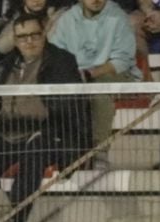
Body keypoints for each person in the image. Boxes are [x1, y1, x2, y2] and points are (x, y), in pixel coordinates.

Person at [0, 10, 87, 222]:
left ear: (44, 33)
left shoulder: (61, 60)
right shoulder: (6, 64)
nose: (29, 41)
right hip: (5, 133)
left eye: (34, 35)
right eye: (23, 37)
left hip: (45, 133)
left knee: (32, 165)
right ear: (15, 39)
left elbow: (71, 108)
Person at [46, 0, 137, 147]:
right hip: (77, 74)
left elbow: (123, 60)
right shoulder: (67, 19)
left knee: (99, 92)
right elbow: (55, 53)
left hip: (112, 73)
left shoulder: (118, 17)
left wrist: (90, 74)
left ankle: (99, 150)